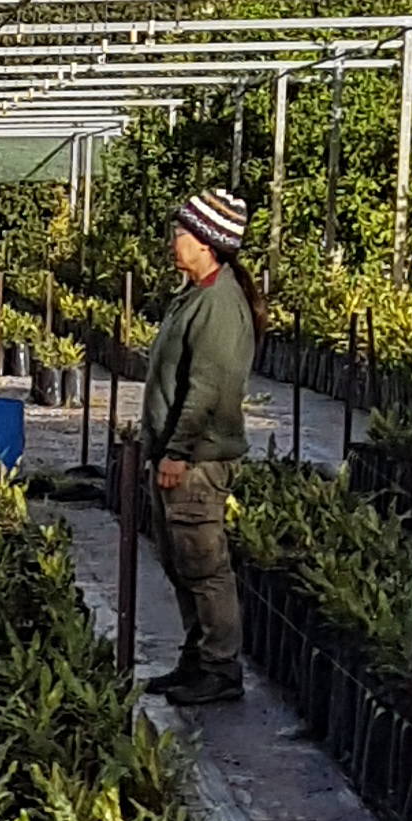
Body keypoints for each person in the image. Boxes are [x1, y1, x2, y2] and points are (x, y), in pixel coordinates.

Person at [137, 186, 260, 706]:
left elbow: (207, 389)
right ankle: (197, 658)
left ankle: (220, 667)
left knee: (205, 566)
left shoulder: (218, 304)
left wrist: (177, 452)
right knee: (180, 559)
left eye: (182, 233)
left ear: (208, 244)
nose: (174, 241)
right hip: (179, 457)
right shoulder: (195, 294)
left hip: (197, 463)